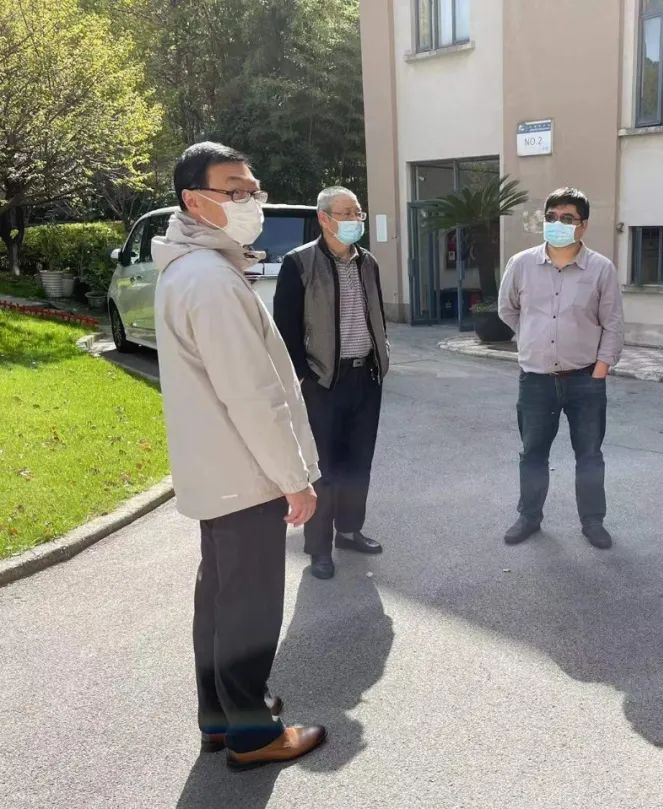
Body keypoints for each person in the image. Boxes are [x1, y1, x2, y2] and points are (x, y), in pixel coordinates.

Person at [152, 142, 325, 770]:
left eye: (253, 189)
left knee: (221, 600)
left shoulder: (192, 269)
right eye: (234, 190)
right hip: (246, 473)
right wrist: (294, 478)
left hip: (218, 472)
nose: (250, 201)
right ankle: (253, 735)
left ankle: (222, 717)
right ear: (193, 201)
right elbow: (253, 396)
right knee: (249, 607)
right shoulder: (210, 280)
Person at [497, 187, 624, 549]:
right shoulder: (521, 264)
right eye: (551, 217)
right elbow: (507, 309)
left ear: (583, 226)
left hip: (585, 379)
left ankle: (593, 521)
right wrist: (531, 337)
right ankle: (529, 517)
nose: (557, 224)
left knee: (589, 455)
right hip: (536, 381)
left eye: (567, 218)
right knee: (532, 453)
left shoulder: (600, 269)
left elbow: (613, 324)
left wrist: (600, 371)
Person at [274, 186, 390, 581]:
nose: (356, 219)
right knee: (323, 467)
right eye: (347, 213)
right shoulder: (300, 263)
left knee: (358, 461)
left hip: (366, 378)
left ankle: (350, 530)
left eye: (358, 213)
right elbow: (286, 330)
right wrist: (304, 376)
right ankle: (319, 548)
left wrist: (382, 357)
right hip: (323, 380)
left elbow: (377, 315)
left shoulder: (368, 262)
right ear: (324, 218)